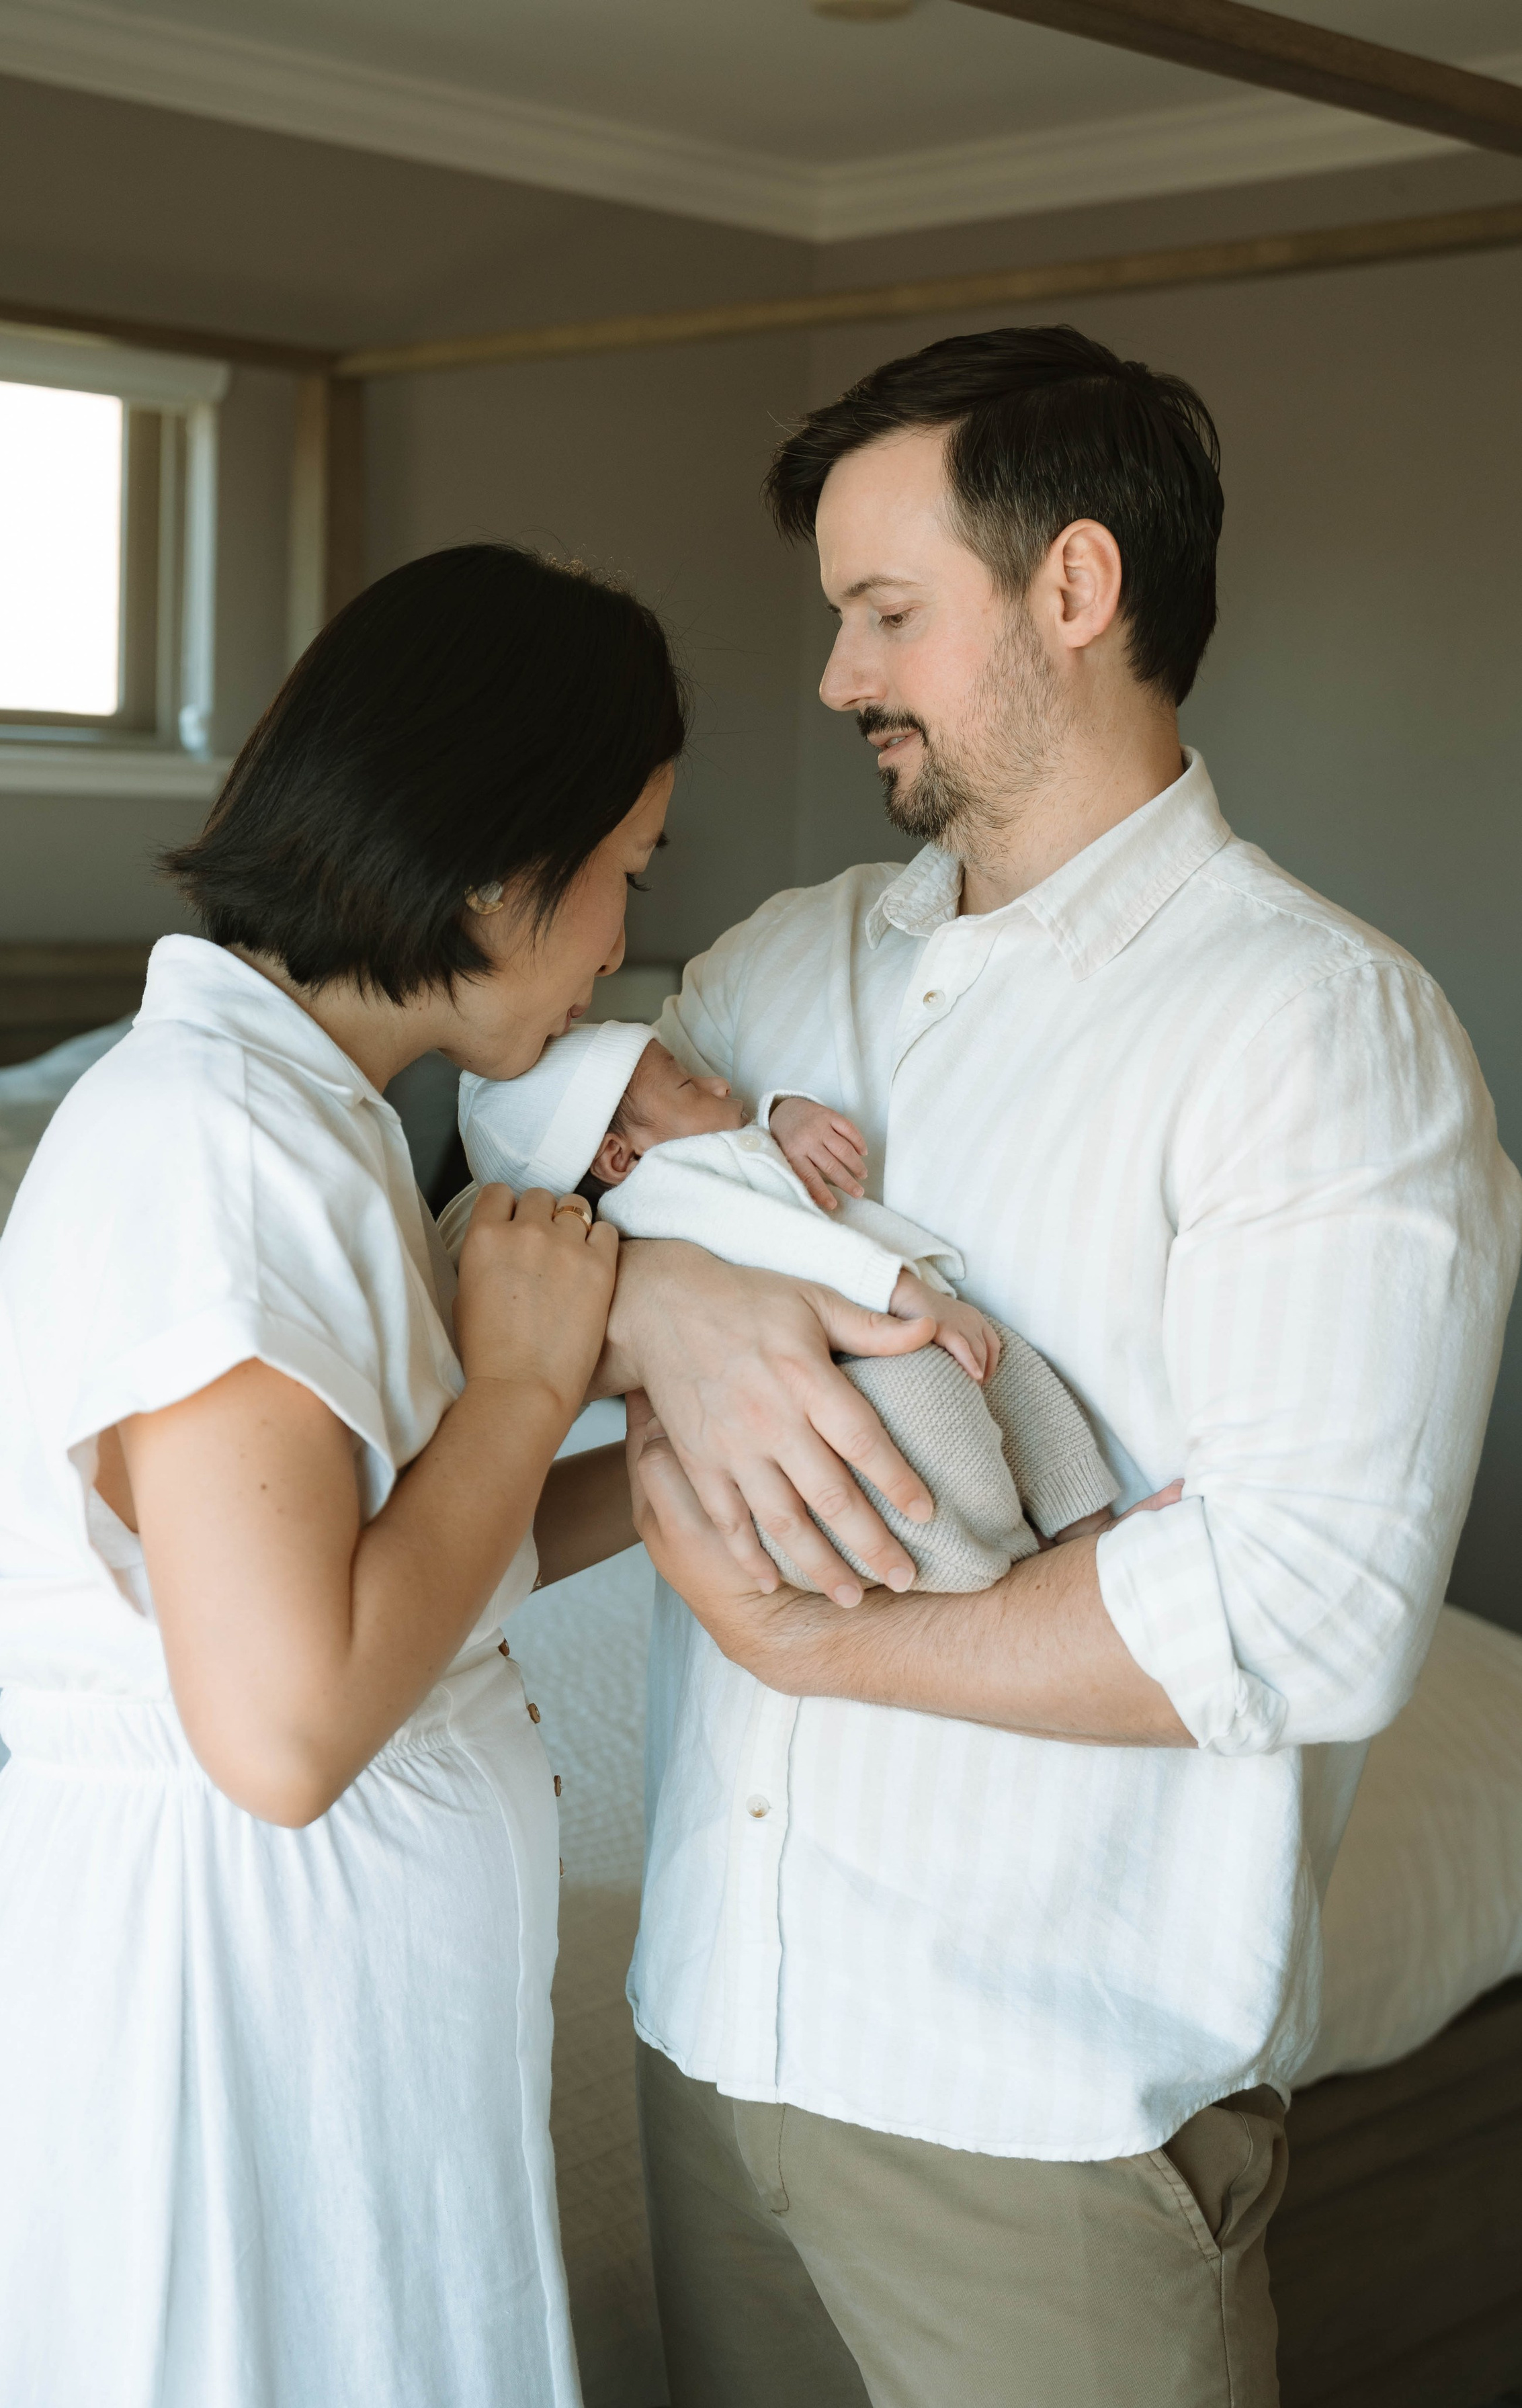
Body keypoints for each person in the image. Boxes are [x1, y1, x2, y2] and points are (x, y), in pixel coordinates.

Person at [587, 327, 1522, 2407]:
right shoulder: (768, 968)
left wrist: (825, 1650)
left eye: (884, 611)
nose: (836, 676)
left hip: (1032, 2114)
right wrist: (665, 1301)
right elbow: (532, 1236)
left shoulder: (1318, 1028)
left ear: (1074, 587)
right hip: (714, 2037)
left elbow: (1305, 1608)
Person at [0, 544, 683, 2408]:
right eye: (624, 872)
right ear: (500, 863)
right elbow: (290, 1730)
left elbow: (391, 1572)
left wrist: (651, 1463)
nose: (619, 940)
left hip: (287, 2007)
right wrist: (524, 1384)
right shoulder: (221, 1160)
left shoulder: (305, 1121)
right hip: (208, 2029)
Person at [454, 1020, 1117, 1594]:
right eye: (686, 1085)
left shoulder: (684, 1162)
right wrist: (903, 1290)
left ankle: (1080, 1529)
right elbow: (779, 1235)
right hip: (838, 1358)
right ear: (618, 1157)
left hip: (849, 1336)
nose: (718, 1084)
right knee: (935, 1409)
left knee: (999, 1369)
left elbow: (748, 1158)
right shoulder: (655, 1196)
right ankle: (1016, 1560)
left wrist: (781, 1115)